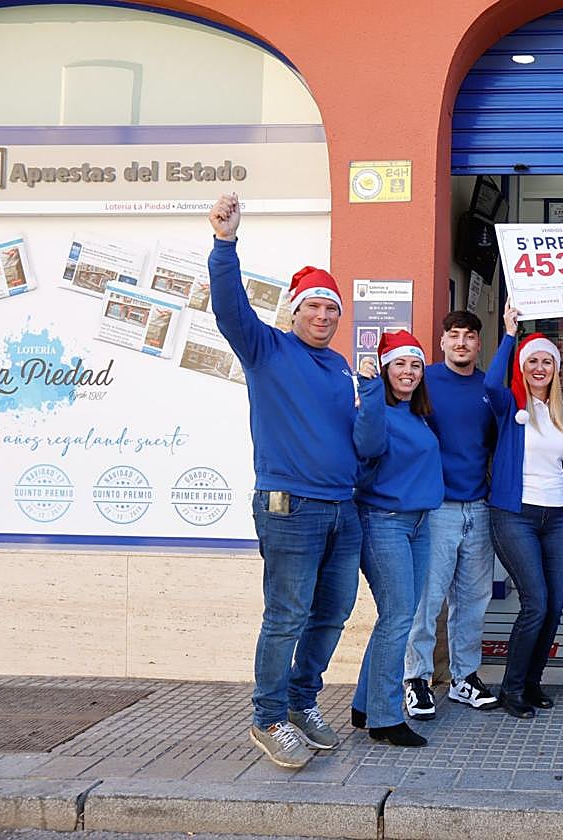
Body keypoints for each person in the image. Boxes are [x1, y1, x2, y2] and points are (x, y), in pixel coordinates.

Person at [207, 193, 361, 769]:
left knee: (332, 613)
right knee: (286, 616)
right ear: (294, 312)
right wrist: (225, 243)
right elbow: (229, 310)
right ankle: (268, 718)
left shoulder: (340, 366)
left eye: (331, 308)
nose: (323, 316)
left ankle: (301, 701)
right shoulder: (267, 349)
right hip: (290, 506)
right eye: (313, 306)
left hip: (343, 509)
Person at [401, 311, 499, 719]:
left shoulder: (489, 388)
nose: (461, 343)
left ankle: (464, 678)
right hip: (437, 509)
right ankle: (416, 679)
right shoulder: (422, 381)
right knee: (428, 600)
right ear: (442, 341)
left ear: (479, 343)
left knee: (472, 601)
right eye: (454, 335)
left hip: (479, 508)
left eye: (469, 336)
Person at [351, 331, 443, 747]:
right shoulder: (377, 409)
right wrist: (370, 389)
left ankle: (364, 705)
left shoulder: (415, 413)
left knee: (395, 616)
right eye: (400, 364)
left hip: (419, 524)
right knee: (398, 617)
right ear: (386, 368)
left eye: (416, 365)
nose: (409, 372)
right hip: (384, 522)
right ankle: (385, 718)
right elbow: (368, 446)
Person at [484, 304, 563, 719]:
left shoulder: (559, 412)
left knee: (554, 606)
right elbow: (489, 382)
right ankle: (512, 688)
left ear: (556, 369)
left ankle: (533, 682)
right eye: (532, 361)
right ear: (522, 367)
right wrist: (509, 335)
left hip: (558, 516)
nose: (540, 368)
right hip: (515, 514)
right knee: (535, 602)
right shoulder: (509, 406)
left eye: (547, 362)